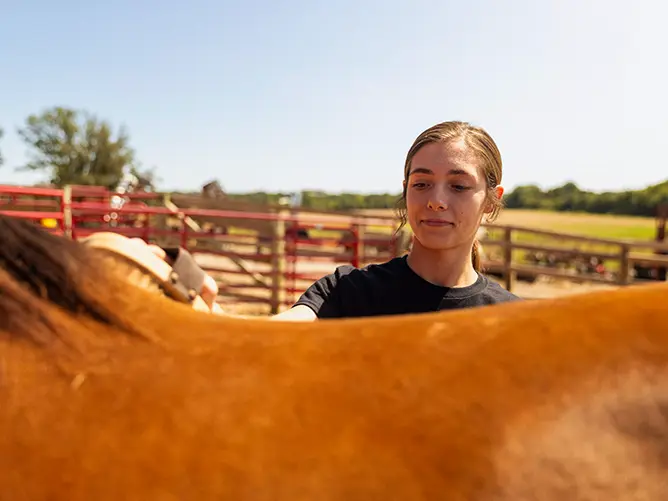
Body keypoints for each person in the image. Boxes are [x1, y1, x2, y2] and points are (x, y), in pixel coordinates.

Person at [272, 120, 521, 321]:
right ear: (406, 191)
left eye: (458, 186)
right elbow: (270, 338)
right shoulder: (348, 293)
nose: (436, 200)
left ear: (491, 199)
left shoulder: (511, 319)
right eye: (421, 184)